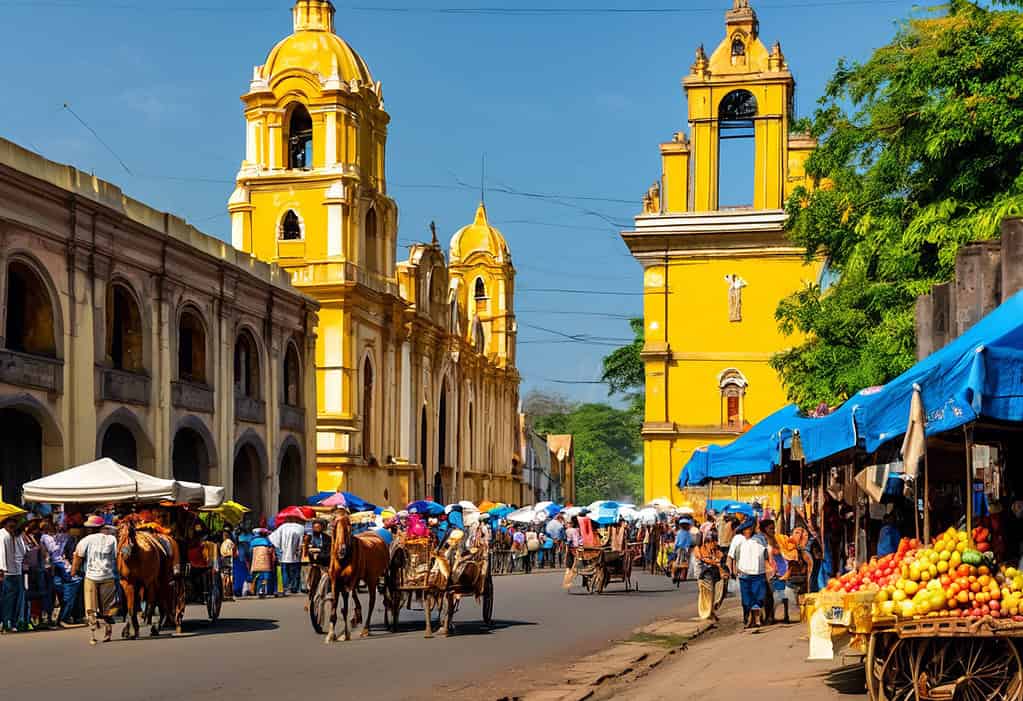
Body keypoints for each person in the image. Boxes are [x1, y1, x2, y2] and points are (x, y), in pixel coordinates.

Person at [72, 516, 119, 645]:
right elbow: (116, 557)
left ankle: (93, 635)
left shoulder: (85, 540)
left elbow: (78, 557)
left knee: (90, 608)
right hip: (108, 576)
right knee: (108, 608)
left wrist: (73, 572)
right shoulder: (112, 539)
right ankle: (108, 632)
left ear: (89, 529)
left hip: (91, 577)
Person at [40, 519, 82, 627]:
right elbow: (66, 555)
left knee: (61, 592)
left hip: (55, 569)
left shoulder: (53, 537)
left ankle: (60, 617)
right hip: (62, 567)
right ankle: (63, 618)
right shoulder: (68, 538)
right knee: (73, 585)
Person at [729, 518, 768, 628]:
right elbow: (730, 556)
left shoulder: (760, 538)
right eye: (746, 529)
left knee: (758, 598)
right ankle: (749, 617)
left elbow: (766, 554)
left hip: (759, 573)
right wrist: (732, 569)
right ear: (743, 530)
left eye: (750, 529)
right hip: (744, 573)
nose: (748, 531)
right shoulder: (737, 539)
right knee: (746, 600)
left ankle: (756, 620)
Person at [0, 516, 26, 634]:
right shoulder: (3, 535)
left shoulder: (14, 535)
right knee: (8, 599)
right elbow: (1, 553)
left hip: (17, 571)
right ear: (6, 523)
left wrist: (18, 537)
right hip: (7, 572)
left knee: (16, 599)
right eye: (12, 523)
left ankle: (13, 622)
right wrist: (2, 569)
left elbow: (23, 551)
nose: (14, 525)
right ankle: (6, 623)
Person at [270, 518, 305, 595]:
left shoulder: (282, 527)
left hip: (284, 556)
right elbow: (303, 542)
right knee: (295, 572)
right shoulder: (301, 528)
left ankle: (285, 587)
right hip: (296, 556)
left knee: (285, 572)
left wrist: (279, 551)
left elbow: (273, 540)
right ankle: (294, 588)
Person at [695, 529, 725, 620]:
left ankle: (711, 612)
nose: (715, 543)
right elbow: (704, 559)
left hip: (711, 574)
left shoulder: (714, 549)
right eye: (713, 541)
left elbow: (720, 556)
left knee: (712, 594)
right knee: (706, 594)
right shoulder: (699, 548)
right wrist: (715, 562)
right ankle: (707, 613)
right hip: (702, 575)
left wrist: (717, 560)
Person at [249, 528, 276, 598]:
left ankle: (257, 591)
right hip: (265, 563)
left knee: (257, 578)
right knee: (265, 578)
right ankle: (265, 591)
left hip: (255, 563)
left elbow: (250, 553)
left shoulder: (253, 541)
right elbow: (271, 551)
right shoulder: (267, 541)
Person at [672, 518, 693, 586]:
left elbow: (676, 542)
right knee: (685, 563)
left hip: (679, 549)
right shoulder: (688, 533)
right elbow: (689, 542)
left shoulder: (679, 532)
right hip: (686, 549)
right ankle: (682, 576)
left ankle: (673, 575)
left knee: (677, 562)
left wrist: (674, 548)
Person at [219, 528, 236, 602]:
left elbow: (226, 552)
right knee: (228, 577)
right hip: (228, 561)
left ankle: (226, 594)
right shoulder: (229, 542)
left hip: (226, 560)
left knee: (226, 577)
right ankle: (228, 594)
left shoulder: (226, 542)